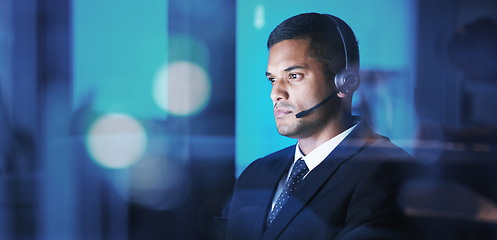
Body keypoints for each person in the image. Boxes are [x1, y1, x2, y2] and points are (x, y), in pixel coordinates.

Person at [217, 12, 413, 240]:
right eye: (272, 79)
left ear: (345, 81)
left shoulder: (387, 171)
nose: (275, 94)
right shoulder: (256, 173)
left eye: (294, 76)